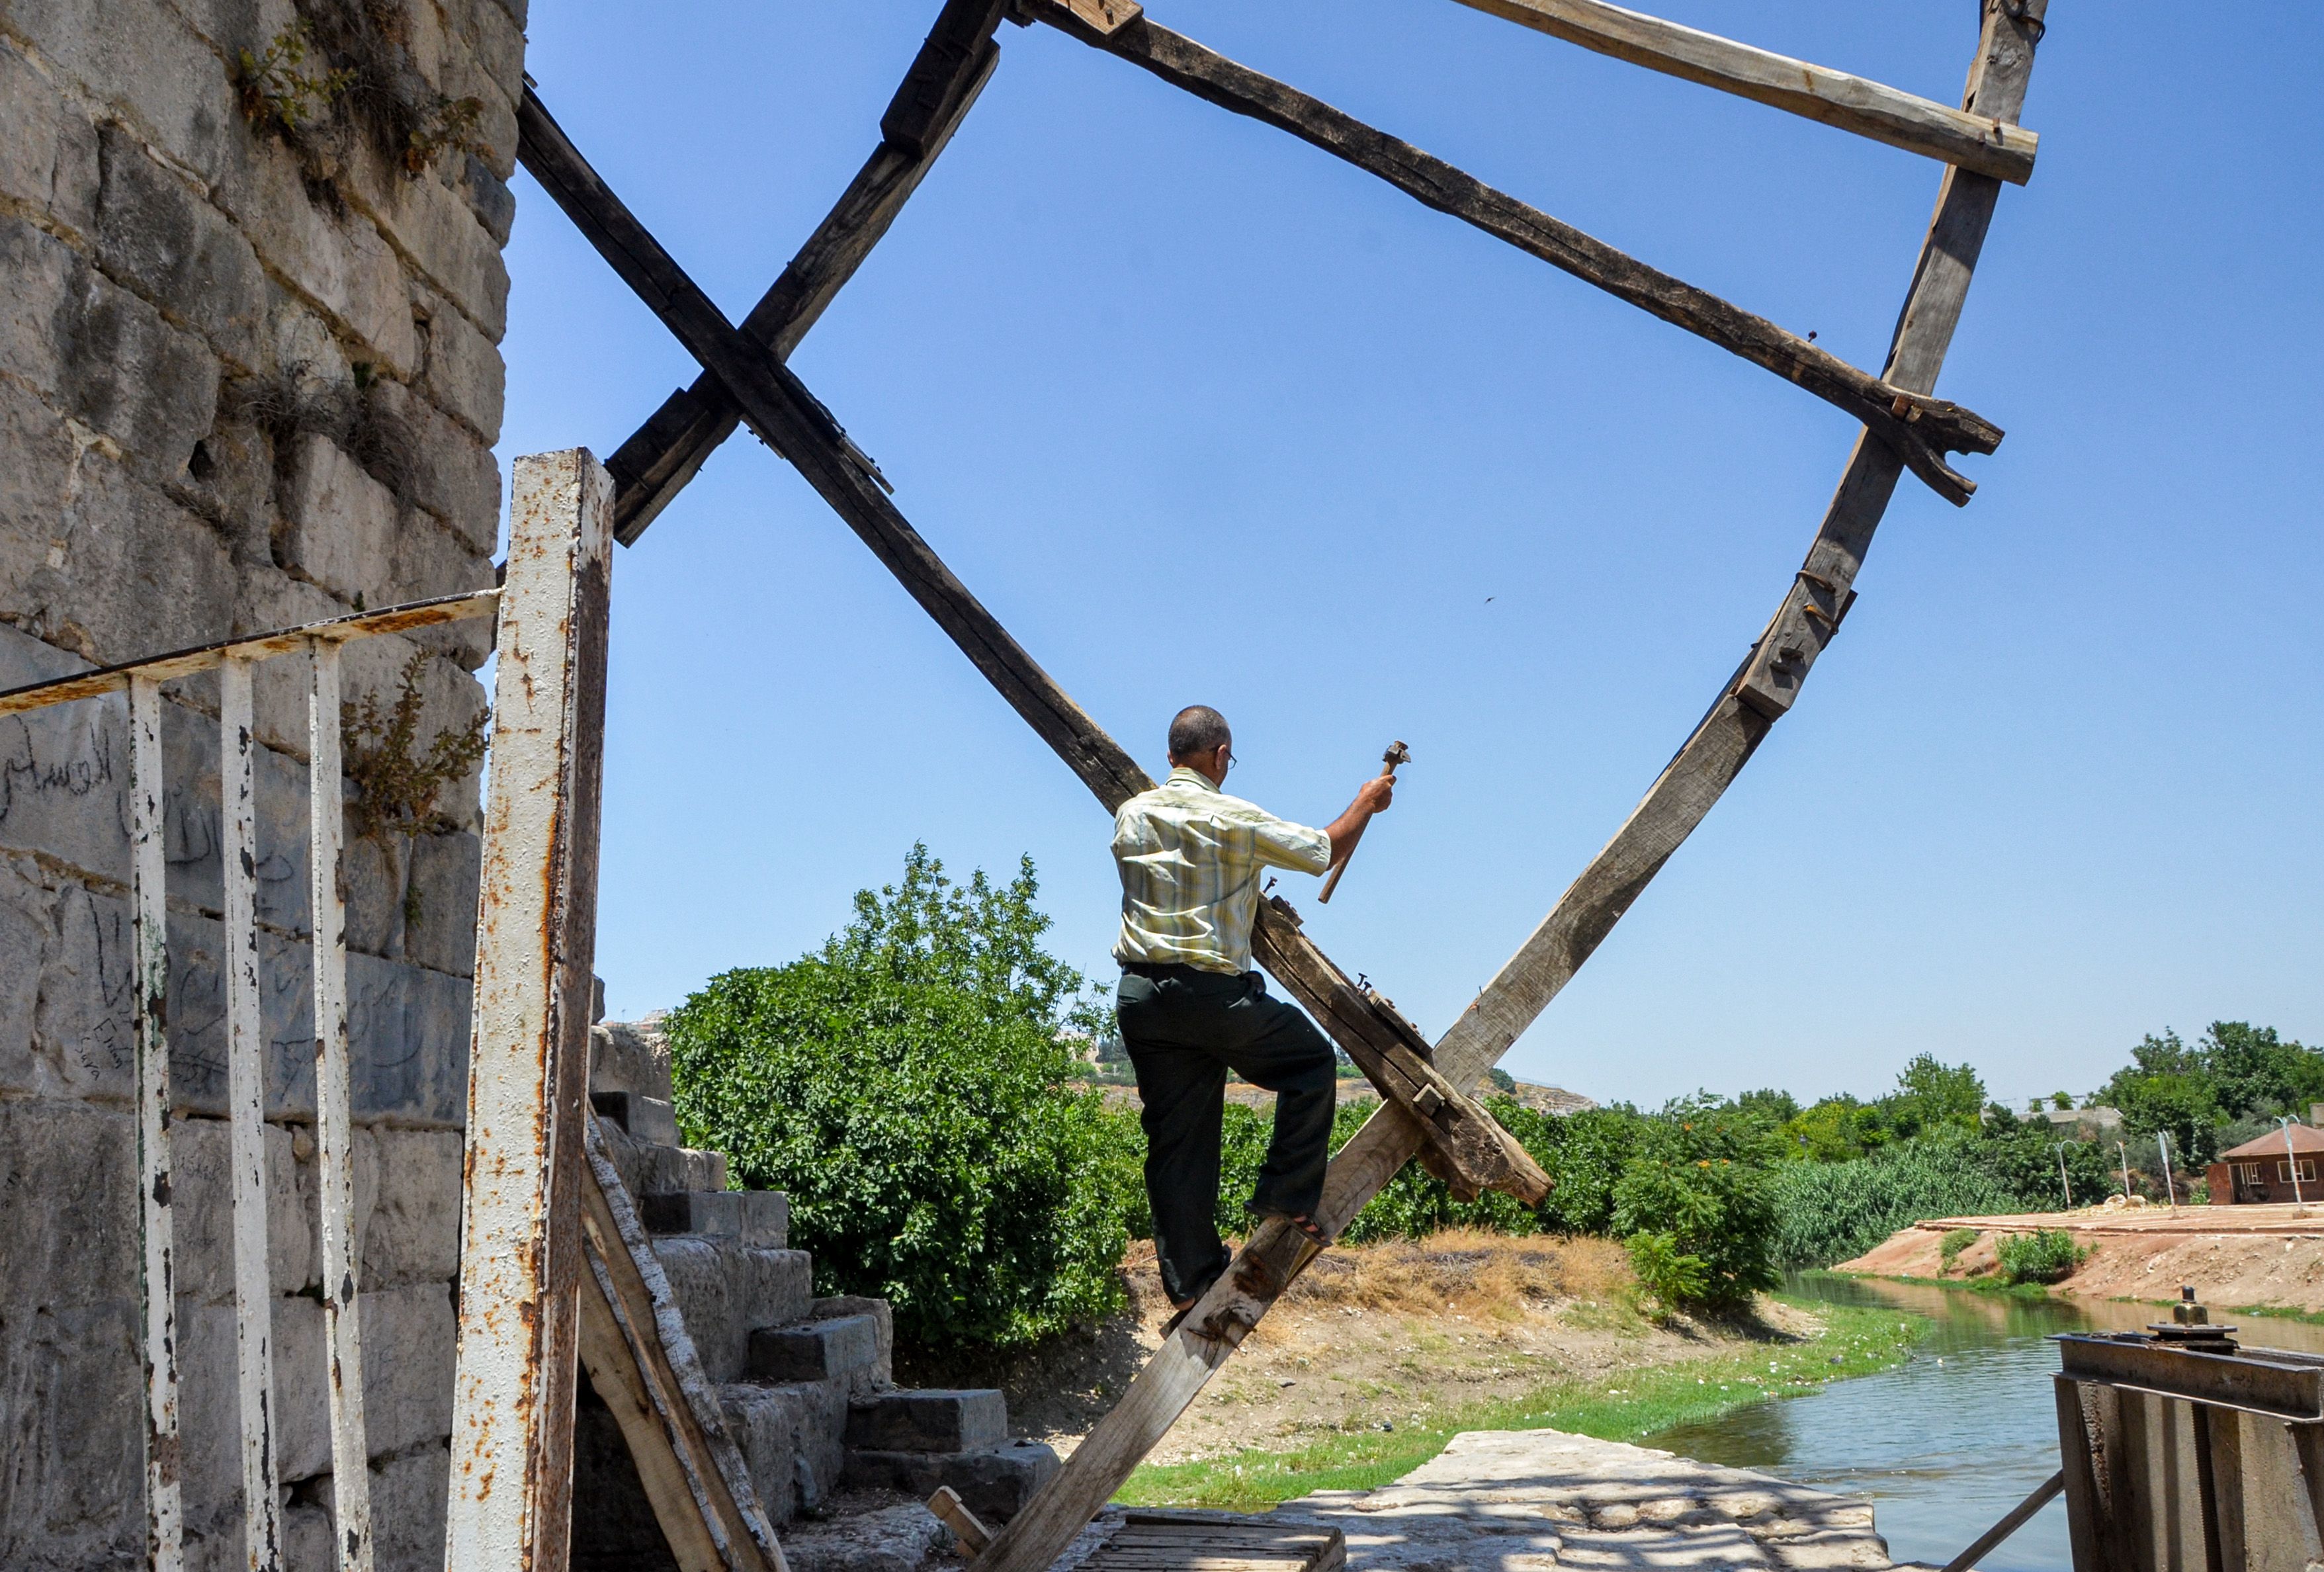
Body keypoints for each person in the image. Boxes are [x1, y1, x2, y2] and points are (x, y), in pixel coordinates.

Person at [1111, 705, 1395, 1323]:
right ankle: (1285, 1197)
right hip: (1209, 994)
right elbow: (1322, 849)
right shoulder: (1231, 817)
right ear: (1219, 757)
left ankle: (1188, 1283)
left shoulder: (1131, 814)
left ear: (1169, 757)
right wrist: (1366, 802)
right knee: (1310, 1062)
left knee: (1175, 1145)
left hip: (1140, 997)